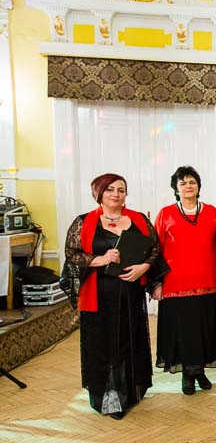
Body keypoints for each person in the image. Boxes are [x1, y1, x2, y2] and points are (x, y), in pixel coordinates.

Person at [64, 173, 164, 419]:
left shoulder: (139, 219)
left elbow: (154, 248)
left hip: (130, 292)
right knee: (102, 343)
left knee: (129, 339)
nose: (116, 194)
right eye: (109, 189)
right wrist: (101, 259)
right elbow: (72, 253)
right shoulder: (83, 221)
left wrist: (143, 268)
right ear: (99, 193)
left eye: (121, 189)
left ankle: (128, 392)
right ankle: (107, 395)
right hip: (98, 292)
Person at [152, 166, 216, 395]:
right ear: (176, 188)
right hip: (175, 284)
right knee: (182, 332)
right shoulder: (165, 213)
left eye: (192, 182)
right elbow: (155, 250)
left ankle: (199, 371)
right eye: (183, 183)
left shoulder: (211, 211)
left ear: (198, 186)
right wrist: (156, 283)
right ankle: (187, 373)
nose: (188, 186)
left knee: (204, 330)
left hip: (207, 282)